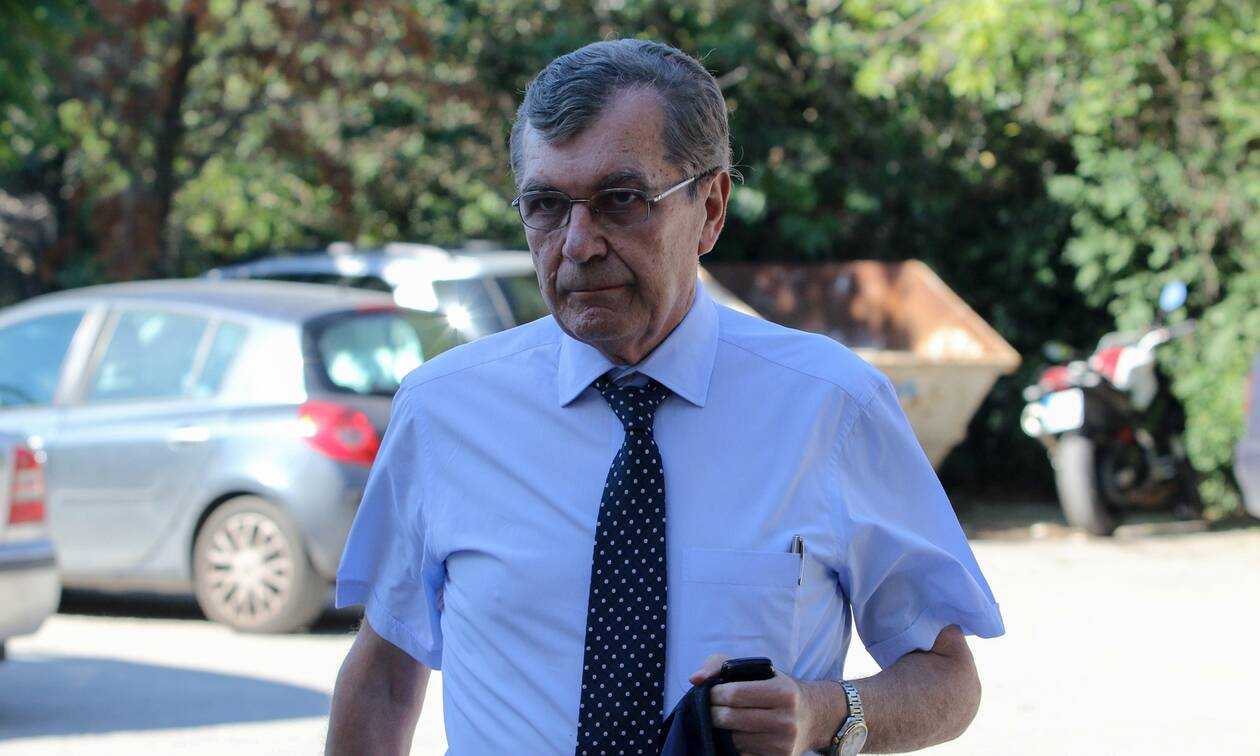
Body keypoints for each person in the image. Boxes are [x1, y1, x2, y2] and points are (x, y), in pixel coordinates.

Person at [327, 39, 1004, 756]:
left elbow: (947, 680)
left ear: (710, 207)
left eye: (621, 201)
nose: (578, 243)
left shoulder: (830, 407)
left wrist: (823, 711)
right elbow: (385, 676)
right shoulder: (443, 411)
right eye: (546, 206)